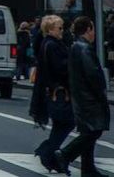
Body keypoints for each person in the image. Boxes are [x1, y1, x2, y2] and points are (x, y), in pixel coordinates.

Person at [54, 16, 109, 177]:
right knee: (93, 131)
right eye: (92, 29)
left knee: (89, 130)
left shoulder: (76, 46)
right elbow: (92, 74)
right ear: (88, 30)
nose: (94, 33)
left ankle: (88, 168)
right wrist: (101, 92)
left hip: (81, 96)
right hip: (88, 98)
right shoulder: (83, 48)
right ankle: (65, 154)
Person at [30, 15, 75, 173]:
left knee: (60, 124)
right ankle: (48, 152)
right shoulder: (52, 45)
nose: (62, 31)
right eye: (59, 28)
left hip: (54, 90)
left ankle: (51, 156)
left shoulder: (49, 43)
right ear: (50, 29)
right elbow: (60, 68)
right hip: (59, 91)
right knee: (68, 121)